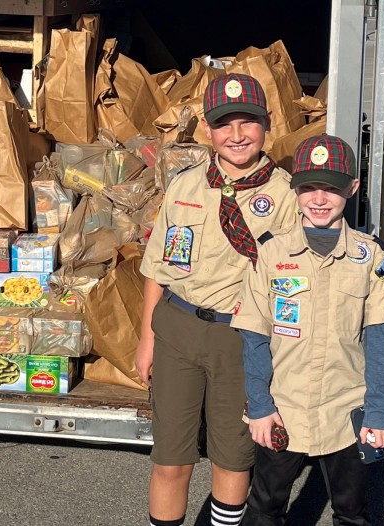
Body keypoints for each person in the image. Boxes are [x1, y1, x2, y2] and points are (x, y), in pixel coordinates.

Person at [136, 73, 298, 526]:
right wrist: (147, 339)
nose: (237, 135)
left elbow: (291, 285)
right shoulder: (186, 186)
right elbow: (158, 269)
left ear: (266, 127)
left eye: (248, 123)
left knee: (233, 456)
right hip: (179, 331)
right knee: (171, 458)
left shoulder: (285, 195)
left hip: (241, 339)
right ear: (208, 130)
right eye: (224, 125)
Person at [231, 134, 384, 525]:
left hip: (346, 410)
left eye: (333, 188)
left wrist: (378, 410)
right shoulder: (270, 252)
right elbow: (254, 336)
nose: (320, 199)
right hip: (283, 408)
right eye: (309, 188)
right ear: (295, 188)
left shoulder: (369, 256)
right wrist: (260, 406)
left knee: (351, 511)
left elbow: (381, 338)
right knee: (265, 506)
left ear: (352, 188)